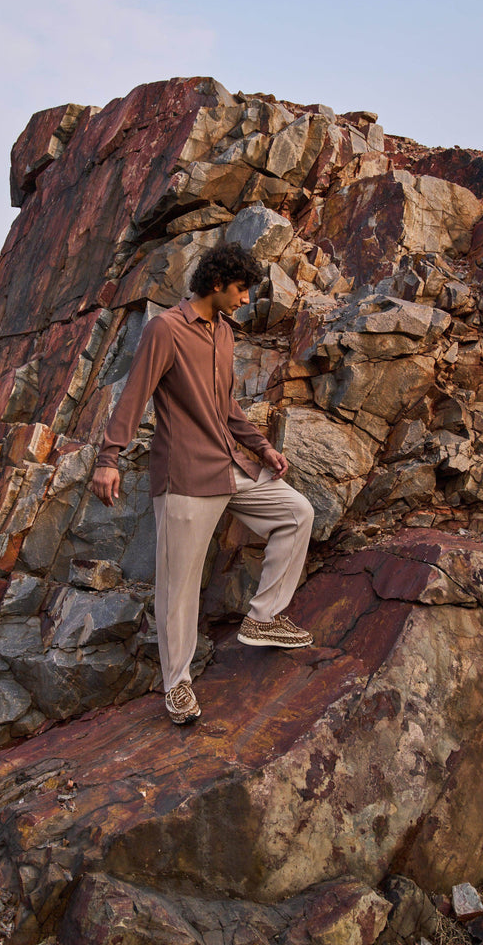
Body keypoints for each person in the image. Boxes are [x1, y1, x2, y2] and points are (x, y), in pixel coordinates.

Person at [91, 243, 315, 725]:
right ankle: (177, 686)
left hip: (231, 464)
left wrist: (262, 447)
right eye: (240, 289)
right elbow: (134, 395)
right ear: (216, 284)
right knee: (179, 587)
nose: (245, 299)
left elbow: (227, 406)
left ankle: (261, 617)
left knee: (297, 513)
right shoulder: (165, 330)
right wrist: (108, 457)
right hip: (186, 474)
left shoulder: (223, 333)